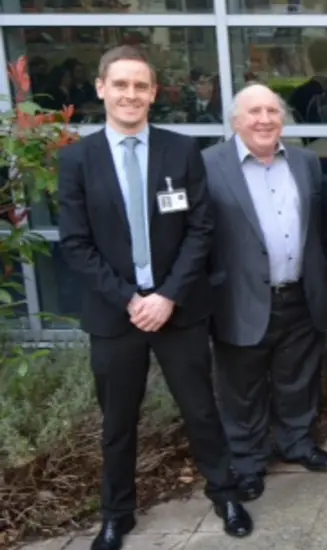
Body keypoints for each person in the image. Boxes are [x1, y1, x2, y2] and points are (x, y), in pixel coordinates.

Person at [57, 46, 252, 550]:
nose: (130, 95)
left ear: (153, 93)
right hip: (115, 314)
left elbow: (200, 229)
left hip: (178, 309)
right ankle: (116, 514)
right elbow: (76, 244)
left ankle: (225, 494)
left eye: (140, 86)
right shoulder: (78, 159)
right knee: (118, 422)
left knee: (201, 411)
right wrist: (130, 299)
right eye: (120, 84)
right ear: (101, 88)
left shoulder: (179, 151)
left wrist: (166, 295)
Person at [203, 84, 327, 502]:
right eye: (254, 112)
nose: (264, 119)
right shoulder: (209, 165)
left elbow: (318, 231)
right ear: (235, 121)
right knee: (240, 389)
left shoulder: (304, 162)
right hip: (239, 298)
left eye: (272, 111)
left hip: (300, 292)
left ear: (284, 118)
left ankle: (297, 443)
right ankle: (247, 462)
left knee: (297, 378)